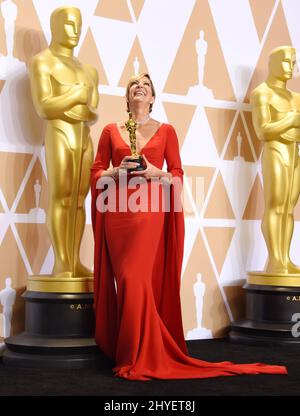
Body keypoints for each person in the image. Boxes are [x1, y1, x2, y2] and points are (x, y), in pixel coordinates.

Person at [91, 72, 287, 380]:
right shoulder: (109, 131)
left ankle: (139, 355)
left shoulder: (167, 131)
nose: (140, 88)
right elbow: (97, 172)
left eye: (146, 86)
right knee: (126, 279)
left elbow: (177, 174)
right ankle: (135, 351)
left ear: (153, 98)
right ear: (127, 97)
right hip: (118, 213)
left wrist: (157, 172)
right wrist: (116, 172)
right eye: (133, 86)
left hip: (151, 210)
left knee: (136, 278)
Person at [29, 7, 99, 277]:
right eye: (69, 24)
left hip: (83, 136)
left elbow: (92, 112)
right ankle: (61, 262)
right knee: (61, 198)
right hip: (59, 133)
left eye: (78, 24)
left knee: (80, 201)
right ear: (55, 26)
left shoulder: (89, 70)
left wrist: (74, 102)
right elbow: (44, 107)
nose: (75, 30)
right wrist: (76, 97)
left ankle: (74, 261)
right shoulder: (42, 62)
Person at [251, 46, 300, 274]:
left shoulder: (296, 98)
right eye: (287, 62)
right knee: (275, 206)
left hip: (293, 153)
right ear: (273, 64)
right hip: (275, 152)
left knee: (289, 209)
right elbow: (263, 131)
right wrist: (290, 120)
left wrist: (287, 130)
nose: (292, 67)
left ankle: (285, 258)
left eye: (293, 62)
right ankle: (275, 260)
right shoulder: (262, 93)